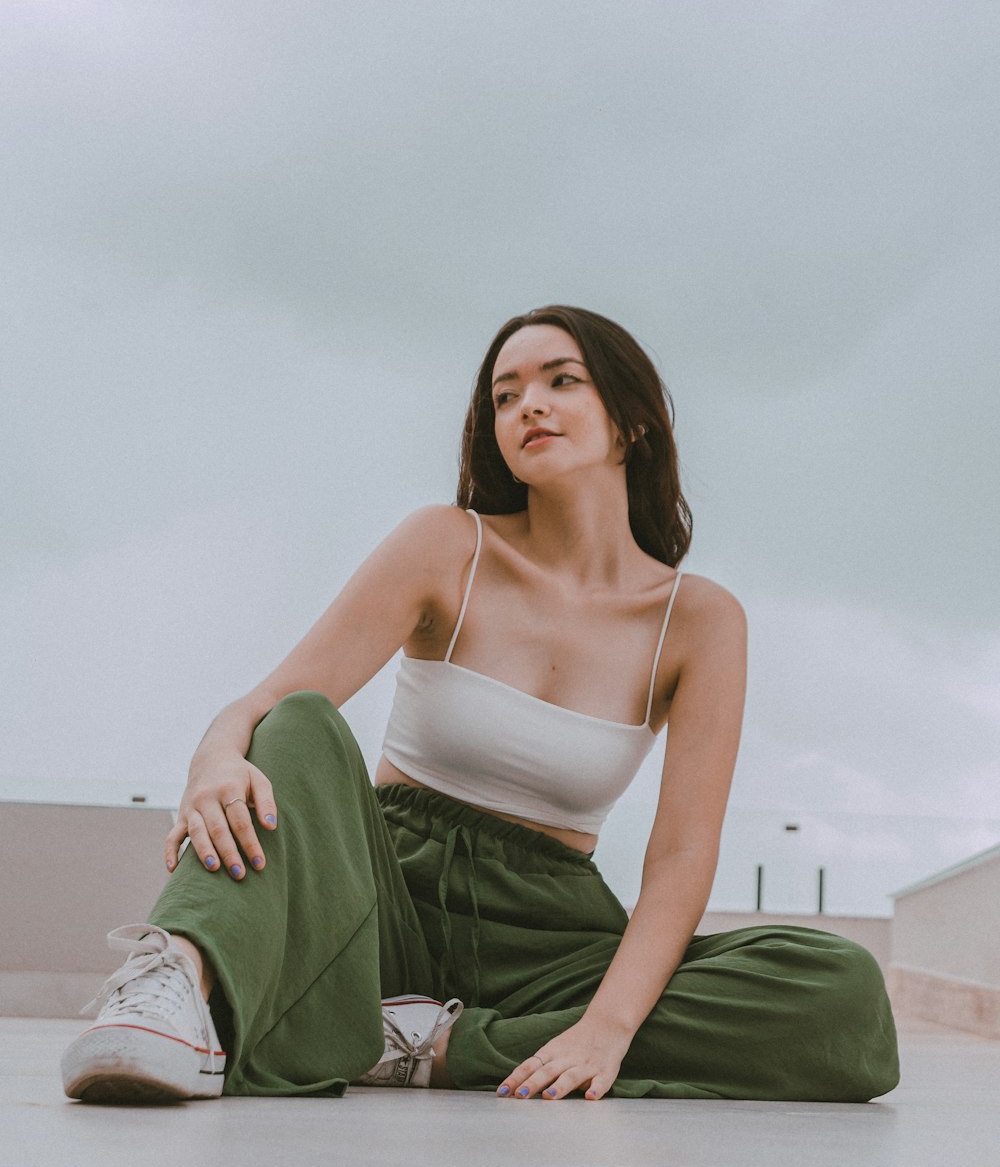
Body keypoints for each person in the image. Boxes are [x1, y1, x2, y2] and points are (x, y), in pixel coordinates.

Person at [60, 305, 900, 1105]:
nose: (527, 405)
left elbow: (681, 858)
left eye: (560, 380)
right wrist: (215, 752)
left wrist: (607, 1026)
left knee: (840, 990)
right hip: (383, 903)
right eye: (504, 395)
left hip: (552, 943)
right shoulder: (445, 545)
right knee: (300, 726)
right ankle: (172, 984)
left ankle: (437, 1048)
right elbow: (272, 701)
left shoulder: (701, 620)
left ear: (632, 420)